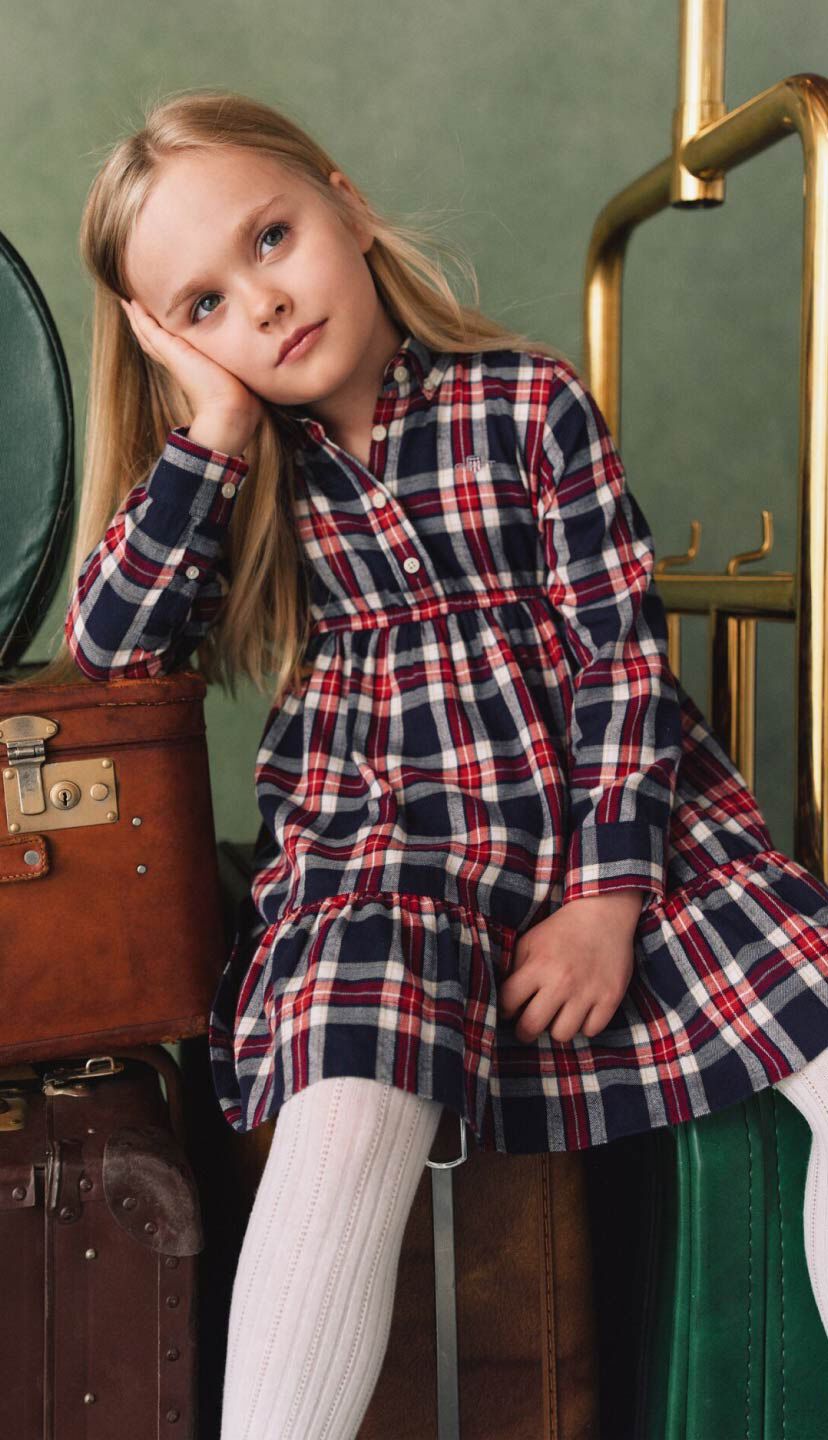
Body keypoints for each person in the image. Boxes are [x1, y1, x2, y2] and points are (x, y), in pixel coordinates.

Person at [31, 83, 828, 1435]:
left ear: (343, 201)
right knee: (345, 1097)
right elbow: (109, 651)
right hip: (385, 851)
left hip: (607, 823)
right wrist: (213, 428)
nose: (264, 304)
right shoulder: (244, 477)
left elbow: (620, 658)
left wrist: (607, 895)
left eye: (270, 238)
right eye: (205, 304)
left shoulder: (526, 401)